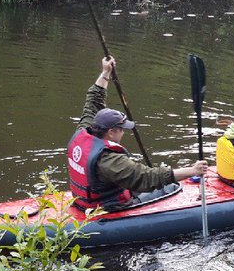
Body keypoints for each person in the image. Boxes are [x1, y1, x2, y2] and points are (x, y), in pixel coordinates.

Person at [68, 56, 207, 210]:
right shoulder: (109, 161)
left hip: (87, 200)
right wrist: (193, 171)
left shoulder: (83, 132)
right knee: (171, 187)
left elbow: (93, 102)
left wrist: (106, 72)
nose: (123, 132)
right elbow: (146, 178)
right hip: (109, 208)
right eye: (122, 129)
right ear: (111, 132)